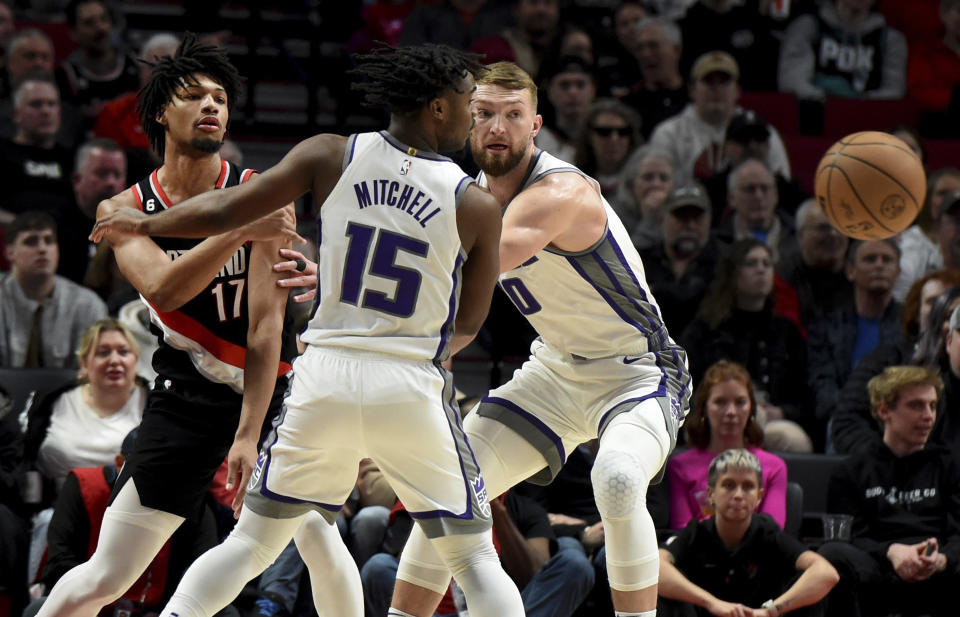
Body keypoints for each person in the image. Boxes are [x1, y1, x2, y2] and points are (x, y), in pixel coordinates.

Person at [92, 43, 524, 617]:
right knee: (473, 559)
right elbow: (470, 321)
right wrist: (421, 347)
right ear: (439, 108)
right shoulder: (475, 202)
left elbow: (225, 211)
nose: (476, 117)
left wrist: (144, 221)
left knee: (251, 544)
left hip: (323, 378)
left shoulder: (330, 154)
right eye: (471, 103)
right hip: (408, 379)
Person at [373, 60, 691, 617]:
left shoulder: (561, 191)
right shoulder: (469, 194)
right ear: (466, 122)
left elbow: (473, 261)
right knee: (448, 488)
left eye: (512, 115)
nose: (498, 127)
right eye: (485, 114)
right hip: (555, 372)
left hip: (638, 372)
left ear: (536, 124)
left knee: (615, 480)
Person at [33, 34, 303, 617]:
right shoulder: (123, 207)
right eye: (196, 96)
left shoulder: (259, 188)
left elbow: (264, 330)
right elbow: (162, 287)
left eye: (221, 98)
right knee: (106, 574)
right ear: (161, 111)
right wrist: (237, 229)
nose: (212, 106)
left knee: (317, 540)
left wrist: (250, 433)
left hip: (271, 397)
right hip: (185, 399)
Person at [819, 366, 960, 617]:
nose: (929, 416)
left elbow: (958, 532)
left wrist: (941, 560)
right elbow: (847, 538)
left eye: (933, 405)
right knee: (832, 553)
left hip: (940, 574)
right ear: (885, 410)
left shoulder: (950, 466)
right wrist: (891, 551)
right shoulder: (851, 471)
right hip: (877, 572)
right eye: (916, 405)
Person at [660, 449, 838, 617]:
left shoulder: (769, 533)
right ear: (710, 494)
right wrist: (711, 602)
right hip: (708, 613)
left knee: (808, 587)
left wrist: (770, 610)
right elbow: (656, 567)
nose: (738, 495)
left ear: (759, 496)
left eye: (748, 487)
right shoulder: (696, 532)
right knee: (666, 589)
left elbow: (826, 573)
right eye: (728, 485)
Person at [681, 240, 813, 451]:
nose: (761, 269)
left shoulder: (787, 332)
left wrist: (783, 412)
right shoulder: (706, 329)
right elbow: (684, 384)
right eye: (751, 263)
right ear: (733, 273)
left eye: (766, 263)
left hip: (771, 423)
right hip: (715, 418)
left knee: (793, 440)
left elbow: (806, 395)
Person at [22, 319, 147, 492]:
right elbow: (25, 461)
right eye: (103, 353)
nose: (114, 360)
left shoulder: (154, 403)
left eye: (123, 352)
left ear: (136, 361)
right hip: (54, 505)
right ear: (84, 364)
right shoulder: (52, 400)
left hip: (130, 508)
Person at [668, 360, 788, 529]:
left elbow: (772, 531)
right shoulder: (680, 466)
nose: (731, 412)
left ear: (751, 409)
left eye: (740, 402)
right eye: (720, 402)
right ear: (704, 409)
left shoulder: (774, 467)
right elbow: (683, 533)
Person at [806, 239, 903, 438]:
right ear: (850, 271)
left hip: (896, 420)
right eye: (870, 259)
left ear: (898, 272)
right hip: (842, 419)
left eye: (887, 260)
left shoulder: (910, 326)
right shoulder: (827, 326)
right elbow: (822, 383)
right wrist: (851, 414)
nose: (879, 265)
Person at [649, 51, 791, 182]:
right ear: (692, 90)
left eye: (724, 82)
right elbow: (657, 185)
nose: (716, 89)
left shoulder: (761, 133)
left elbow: (782, 182)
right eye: (708, 81)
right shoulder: (668, 134)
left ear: (737, 91)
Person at [0, 211, 108, 368]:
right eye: (31, 242)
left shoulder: (87, 305)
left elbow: (93, 372)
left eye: (49, 241)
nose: (42, 249)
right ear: (10, 252)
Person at [778, 0, 907, 101]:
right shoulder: (807, 26)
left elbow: (893, 93)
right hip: (815, 119)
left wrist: (859, 101)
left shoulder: (891, 40)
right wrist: (825, 98)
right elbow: (792, 81)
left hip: (867, 124)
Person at [638, 182, 722, 336]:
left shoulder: (724, 267)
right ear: (662, 218)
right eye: (681, 216)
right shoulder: (639, 263)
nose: (690, 225)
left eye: (697, 218)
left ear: (710, 220)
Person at [57, 0, 140, 121]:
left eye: (104, 19)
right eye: (89, 23)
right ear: (73, 32)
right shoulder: (66, 77)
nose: (101, 28)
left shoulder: (135, 64)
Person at [776, 199, 852, 328]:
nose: (833, 234)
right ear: (800, 235)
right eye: (823, 228)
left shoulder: (861, 275)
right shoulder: (782, 278)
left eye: (839, 227)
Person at [572, 98, 643, 201]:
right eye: (604, 132)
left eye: (623, 132)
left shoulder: (645, 178)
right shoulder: (572, 177)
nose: (614, 139)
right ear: (589, 136)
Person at [612, 145, 680, 251]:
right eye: (648, 177)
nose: (656, 184)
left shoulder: (683, 213)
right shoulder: (614, 217)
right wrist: (650, 219)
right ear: (631, 184)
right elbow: (626, 261)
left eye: (664, 178)